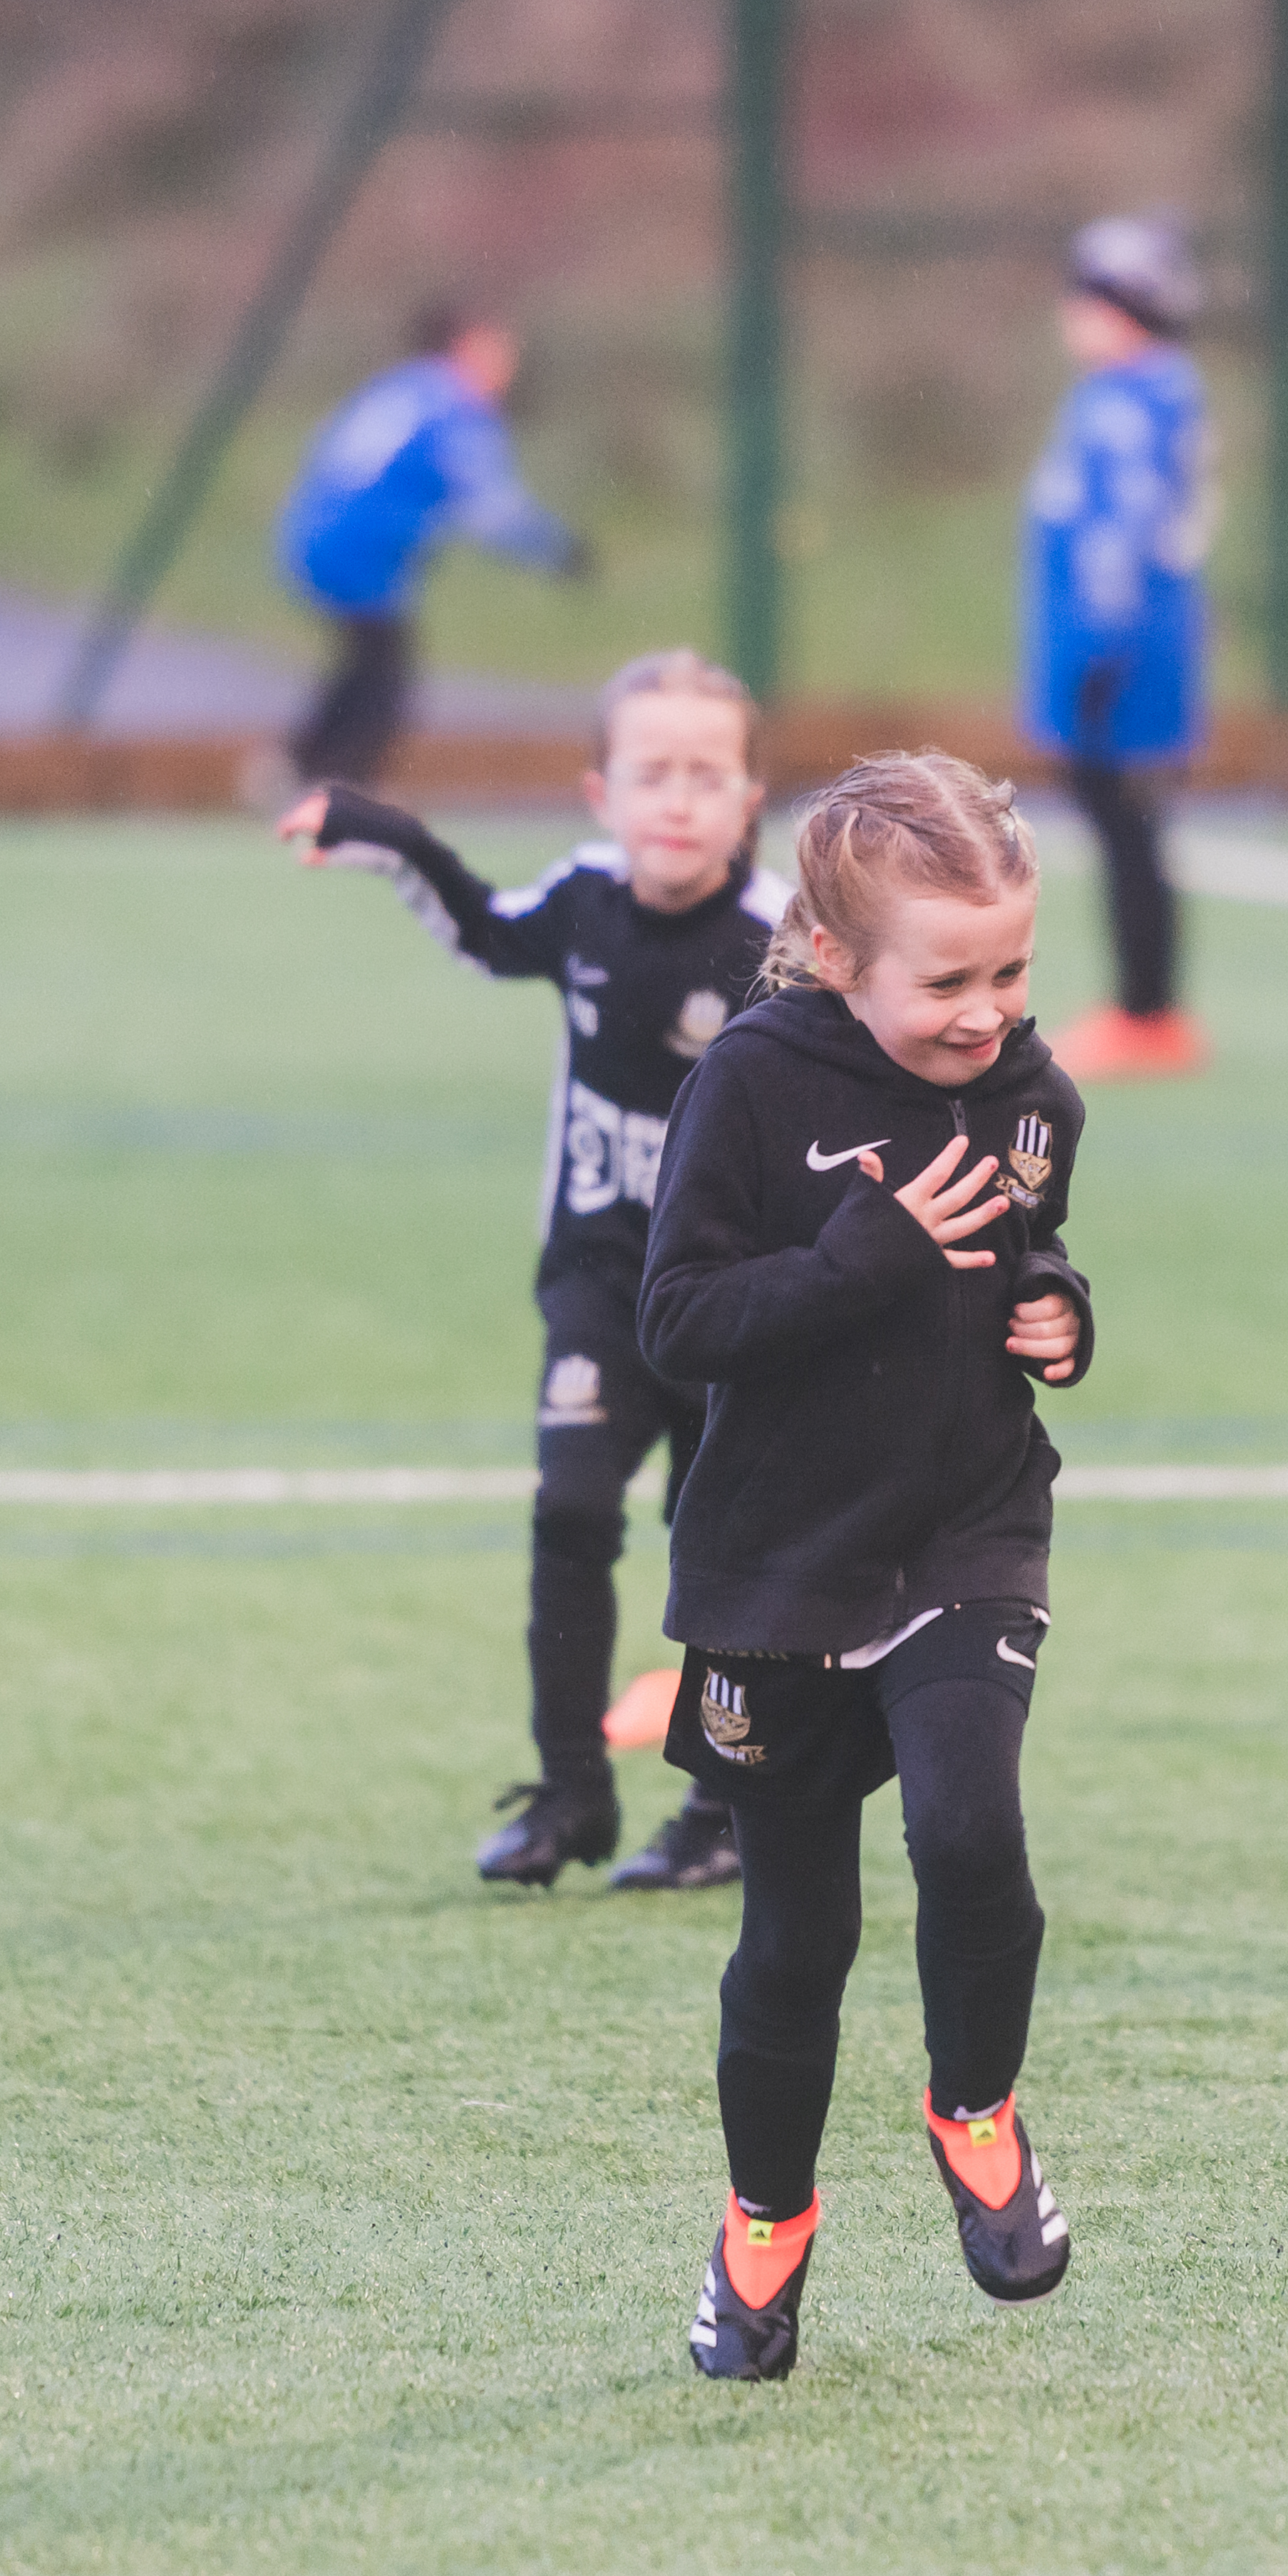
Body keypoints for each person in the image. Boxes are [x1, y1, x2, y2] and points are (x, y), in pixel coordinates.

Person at [638, 754, 1097, 2379]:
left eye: (1013, 971)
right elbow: (677, 1318)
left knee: (971, 1828)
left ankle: (973, 2102)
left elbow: (1023, 1251)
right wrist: (856, 1257)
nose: (988, 1014)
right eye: (948, 980)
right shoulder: (754, 1083)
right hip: (773, 1565)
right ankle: (765, 2223)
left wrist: (1058, 1311)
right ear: (836, 954)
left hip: (962, 1528)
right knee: (797, 1940)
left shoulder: (1034, 1094)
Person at [279, 649, 776, 1892]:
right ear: (598, 790)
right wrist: (383, 832)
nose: (676, 798)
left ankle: (722, 1805)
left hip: (736, 1302)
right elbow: (484, 931)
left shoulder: (782, 943)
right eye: (649, 771)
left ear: (750, 796)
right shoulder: (586, 901)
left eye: (705, 774)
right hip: (602, 1281)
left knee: (717, 1544)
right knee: (569, 1509)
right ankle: (569, 1793)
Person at [1018, 215, 1215, 1081]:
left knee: (1129, 825)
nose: (1071, 312)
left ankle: (1148, 1012)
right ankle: (1142, 1005)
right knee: (1122, 826)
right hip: (1120, 646)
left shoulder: (1133, 400)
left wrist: (1098, 649)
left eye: (1087, 295)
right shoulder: (1141, 392)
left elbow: (1122, 534)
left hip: (1123, 654)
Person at [273, 303, 586, 791]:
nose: (507, 363)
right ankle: (333, 785)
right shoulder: (456, 406)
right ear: (464, 348)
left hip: (315, 532)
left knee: (366, 662)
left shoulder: (405, 386)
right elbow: (491, 509)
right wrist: (558, 551)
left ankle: (298, 768)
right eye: (496, 350)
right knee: (385, 678)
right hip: (361, 550)